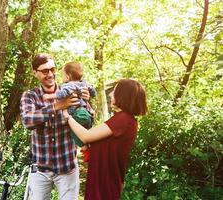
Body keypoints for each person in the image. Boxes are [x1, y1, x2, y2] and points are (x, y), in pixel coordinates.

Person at [63, 78, 148, 200]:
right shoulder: (124, 119)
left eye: (115, 90)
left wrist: (67, 116)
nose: (111, 93)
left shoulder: (123, 119)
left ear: (123, 95)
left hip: (105, 180)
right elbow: (97, 139)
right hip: (104, 177)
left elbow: (86, 136)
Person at [20, 53, 90, 200]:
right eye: (45, 71)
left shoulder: (71, 90)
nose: (50, 74)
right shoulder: (30, 96)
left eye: (53, 69)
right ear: (34, 73)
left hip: (67, 167)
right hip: (40, 169)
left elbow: (88, 122)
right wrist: (57, 106)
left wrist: (86, 103)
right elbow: (27, 121)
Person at [42, 61, 96, 162]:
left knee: (74, 132)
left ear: (67, 77)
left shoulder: (67, 85)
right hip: (86, 114)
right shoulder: (84, 83)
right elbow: (93, 91)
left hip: (77, 115)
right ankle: (91, 145)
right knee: (86, 131)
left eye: (62, 75)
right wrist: (90, 92)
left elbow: (62, 94)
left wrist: (50, 96)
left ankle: (86, 150)